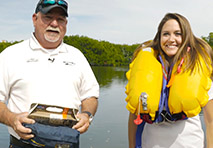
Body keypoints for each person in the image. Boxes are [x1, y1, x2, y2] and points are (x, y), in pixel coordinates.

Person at [0, 0, 99, 147]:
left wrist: (87, 115)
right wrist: (11, 119)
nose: (54, 24)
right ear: (35, 19)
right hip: (23, 143)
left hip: (68, 143)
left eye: (60, 19)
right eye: (48, 17)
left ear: (66, 23)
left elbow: (90, 96)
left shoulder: (77, 56)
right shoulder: (10, 54)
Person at [125, 13, 213, 148]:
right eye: (166, 34)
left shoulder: (197, 67)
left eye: (178, 34)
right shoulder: (146, 67)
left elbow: (210, 119)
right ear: (159, 37)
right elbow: (134, 116)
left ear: (186, 37)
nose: (171, 39)